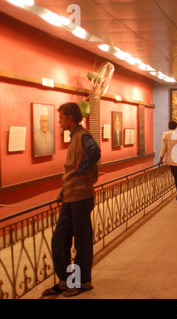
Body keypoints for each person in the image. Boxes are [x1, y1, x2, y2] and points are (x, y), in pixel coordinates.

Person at [42, 102, 100, 297]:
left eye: (60, 118)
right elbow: (71, 168)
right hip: (69, 196)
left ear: (70, 118)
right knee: (60, 238)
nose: (59, 122)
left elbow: (94, 152)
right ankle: (66, 281)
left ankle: (83, 282)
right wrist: (63, 190)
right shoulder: (74, 136)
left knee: (82, 241)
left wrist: (82, 172)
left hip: (81, 198)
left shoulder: (83, 135)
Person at [158, 121, 177, 203]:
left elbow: (163, 147)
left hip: (172, 161)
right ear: (176, 127)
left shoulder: (166, 134)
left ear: (168, 127)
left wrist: (160, 159)